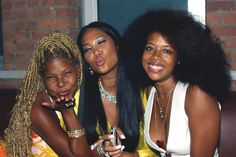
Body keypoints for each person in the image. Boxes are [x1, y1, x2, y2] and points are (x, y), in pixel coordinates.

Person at [123, 10, 231, 157]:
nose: (155, 57)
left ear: (180, 57)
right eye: (149, 48)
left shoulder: (196, 95)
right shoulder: (150, 92)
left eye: (166, 51)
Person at [3, 32, 91, 157]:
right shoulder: (39, 109)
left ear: (78, 68)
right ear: (43, 78)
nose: (61, 84)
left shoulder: (79, 93)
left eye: (67, 73)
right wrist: (68, 112)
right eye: (51, 78)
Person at [77, 21, 158, 157]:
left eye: (101, 42)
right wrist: (100, 150)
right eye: (87, 49)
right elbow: (67, 150)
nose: (96, 52)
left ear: (117, 45)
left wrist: (133, 156)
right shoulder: (78, 97)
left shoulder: (145, 92)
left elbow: (159, 149)